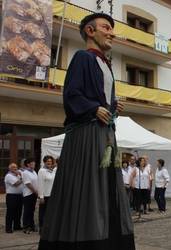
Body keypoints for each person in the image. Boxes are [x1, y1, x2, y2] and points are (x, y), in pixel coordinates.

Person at [39, 13, 134, 250]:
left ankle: (110, 238)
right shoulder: (82, 57)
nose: (112, 32)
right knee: (91, 187)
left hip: (106, 134)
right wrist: (94, 108)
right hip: (87, 135)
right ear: (90, 31)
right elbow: (72, 95)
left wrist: (113, 107)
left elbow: (101, 101)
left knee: (108, 186)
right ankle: (88, 239)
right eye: (106, 27)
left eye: (112, 28)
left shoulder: (106, 65)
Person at [37, 156, 57, 232]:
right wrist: (41, 196)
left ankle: (48, 228)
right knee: (43, 213)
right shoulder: (41, 171)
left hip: (51, 195)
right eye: (48, 161)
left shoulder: (52, 171)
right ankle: (41, 228)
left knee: (50, 213)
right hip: (44, 196)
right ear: (44, 162)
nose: (49, 162)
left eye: (50, 161)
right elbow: (40, 184)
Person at [4, 163, 23, 233]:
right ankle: (8, 228)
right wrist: (21, 177)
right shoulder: (8, 176)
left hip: (19, 196)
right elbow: (16, 184)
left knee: (18, 212)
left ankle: (17, 226)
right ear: (10, 168)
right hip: (11, 196)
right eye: (13, 167)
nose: (15, 169)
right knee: (10, 212)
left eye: (16, 167)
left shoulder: (17, 175)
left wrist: (20, 176)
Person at [22, 158, 38, 233]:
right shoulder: (25, 172)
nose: (34, 164)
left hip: (34, 194)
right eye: (32, 163)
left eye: (34, 163)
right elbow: (28, 184)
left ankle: (32, 225)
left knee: (32, 210)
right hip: (28, 194)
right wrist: (35, 192)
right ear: (28, 164)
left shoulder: (34, 171)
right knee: (27, 210)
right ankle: (25, 226)